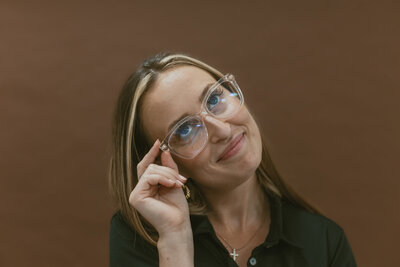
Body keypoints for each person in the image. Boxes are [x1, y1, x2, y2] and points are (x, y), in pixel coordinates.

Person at [108, 52, 357, 267]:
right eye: (185, 130)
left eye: (214, 99)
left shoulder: (323, 241)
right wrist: (175, 241)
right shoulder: (140, 238)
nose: (223, 130)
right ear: (162, 163)